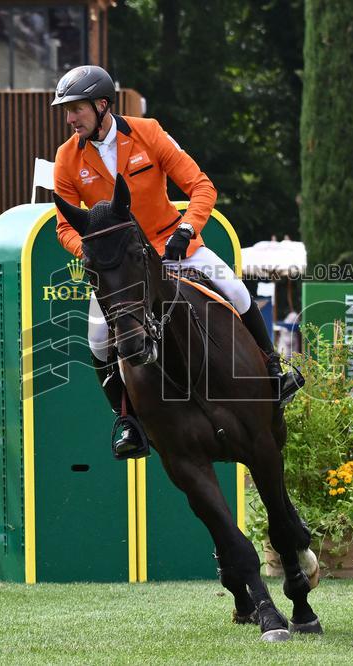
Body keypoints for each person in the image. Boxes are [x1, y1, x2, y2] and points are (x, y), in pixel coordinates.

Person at [50, 65, 304, 459]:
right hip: (121, 268)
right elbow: (64, 227)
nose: (69, 119)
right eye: (66, 111)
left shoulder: (149, 132)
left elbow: (201, 186)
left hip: (173, 245)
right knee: (98, 341)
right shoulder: (67, 158)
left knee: (235, 290)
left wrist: (186, 230)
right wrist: (92, 253)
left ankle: (273, 370)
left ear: (102, 105)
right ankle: (127, 421)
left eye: (76, 109)